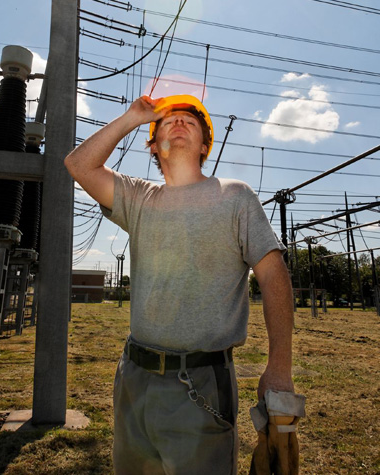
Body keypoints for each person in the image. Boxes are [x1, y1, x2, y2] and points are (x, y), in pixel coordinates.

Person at [65, 94, 295, 474]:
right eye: (167, 120)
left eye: (192, 119)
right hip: (133, 379)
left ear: (205, 144)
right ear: (153, 146)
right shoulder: (138, 197)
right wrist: (133, 117)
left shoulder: (234, 197)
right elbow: (78, 164)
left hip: (200, 384)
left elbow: (273, 275)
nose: (179, 121)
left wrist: (279, 367)